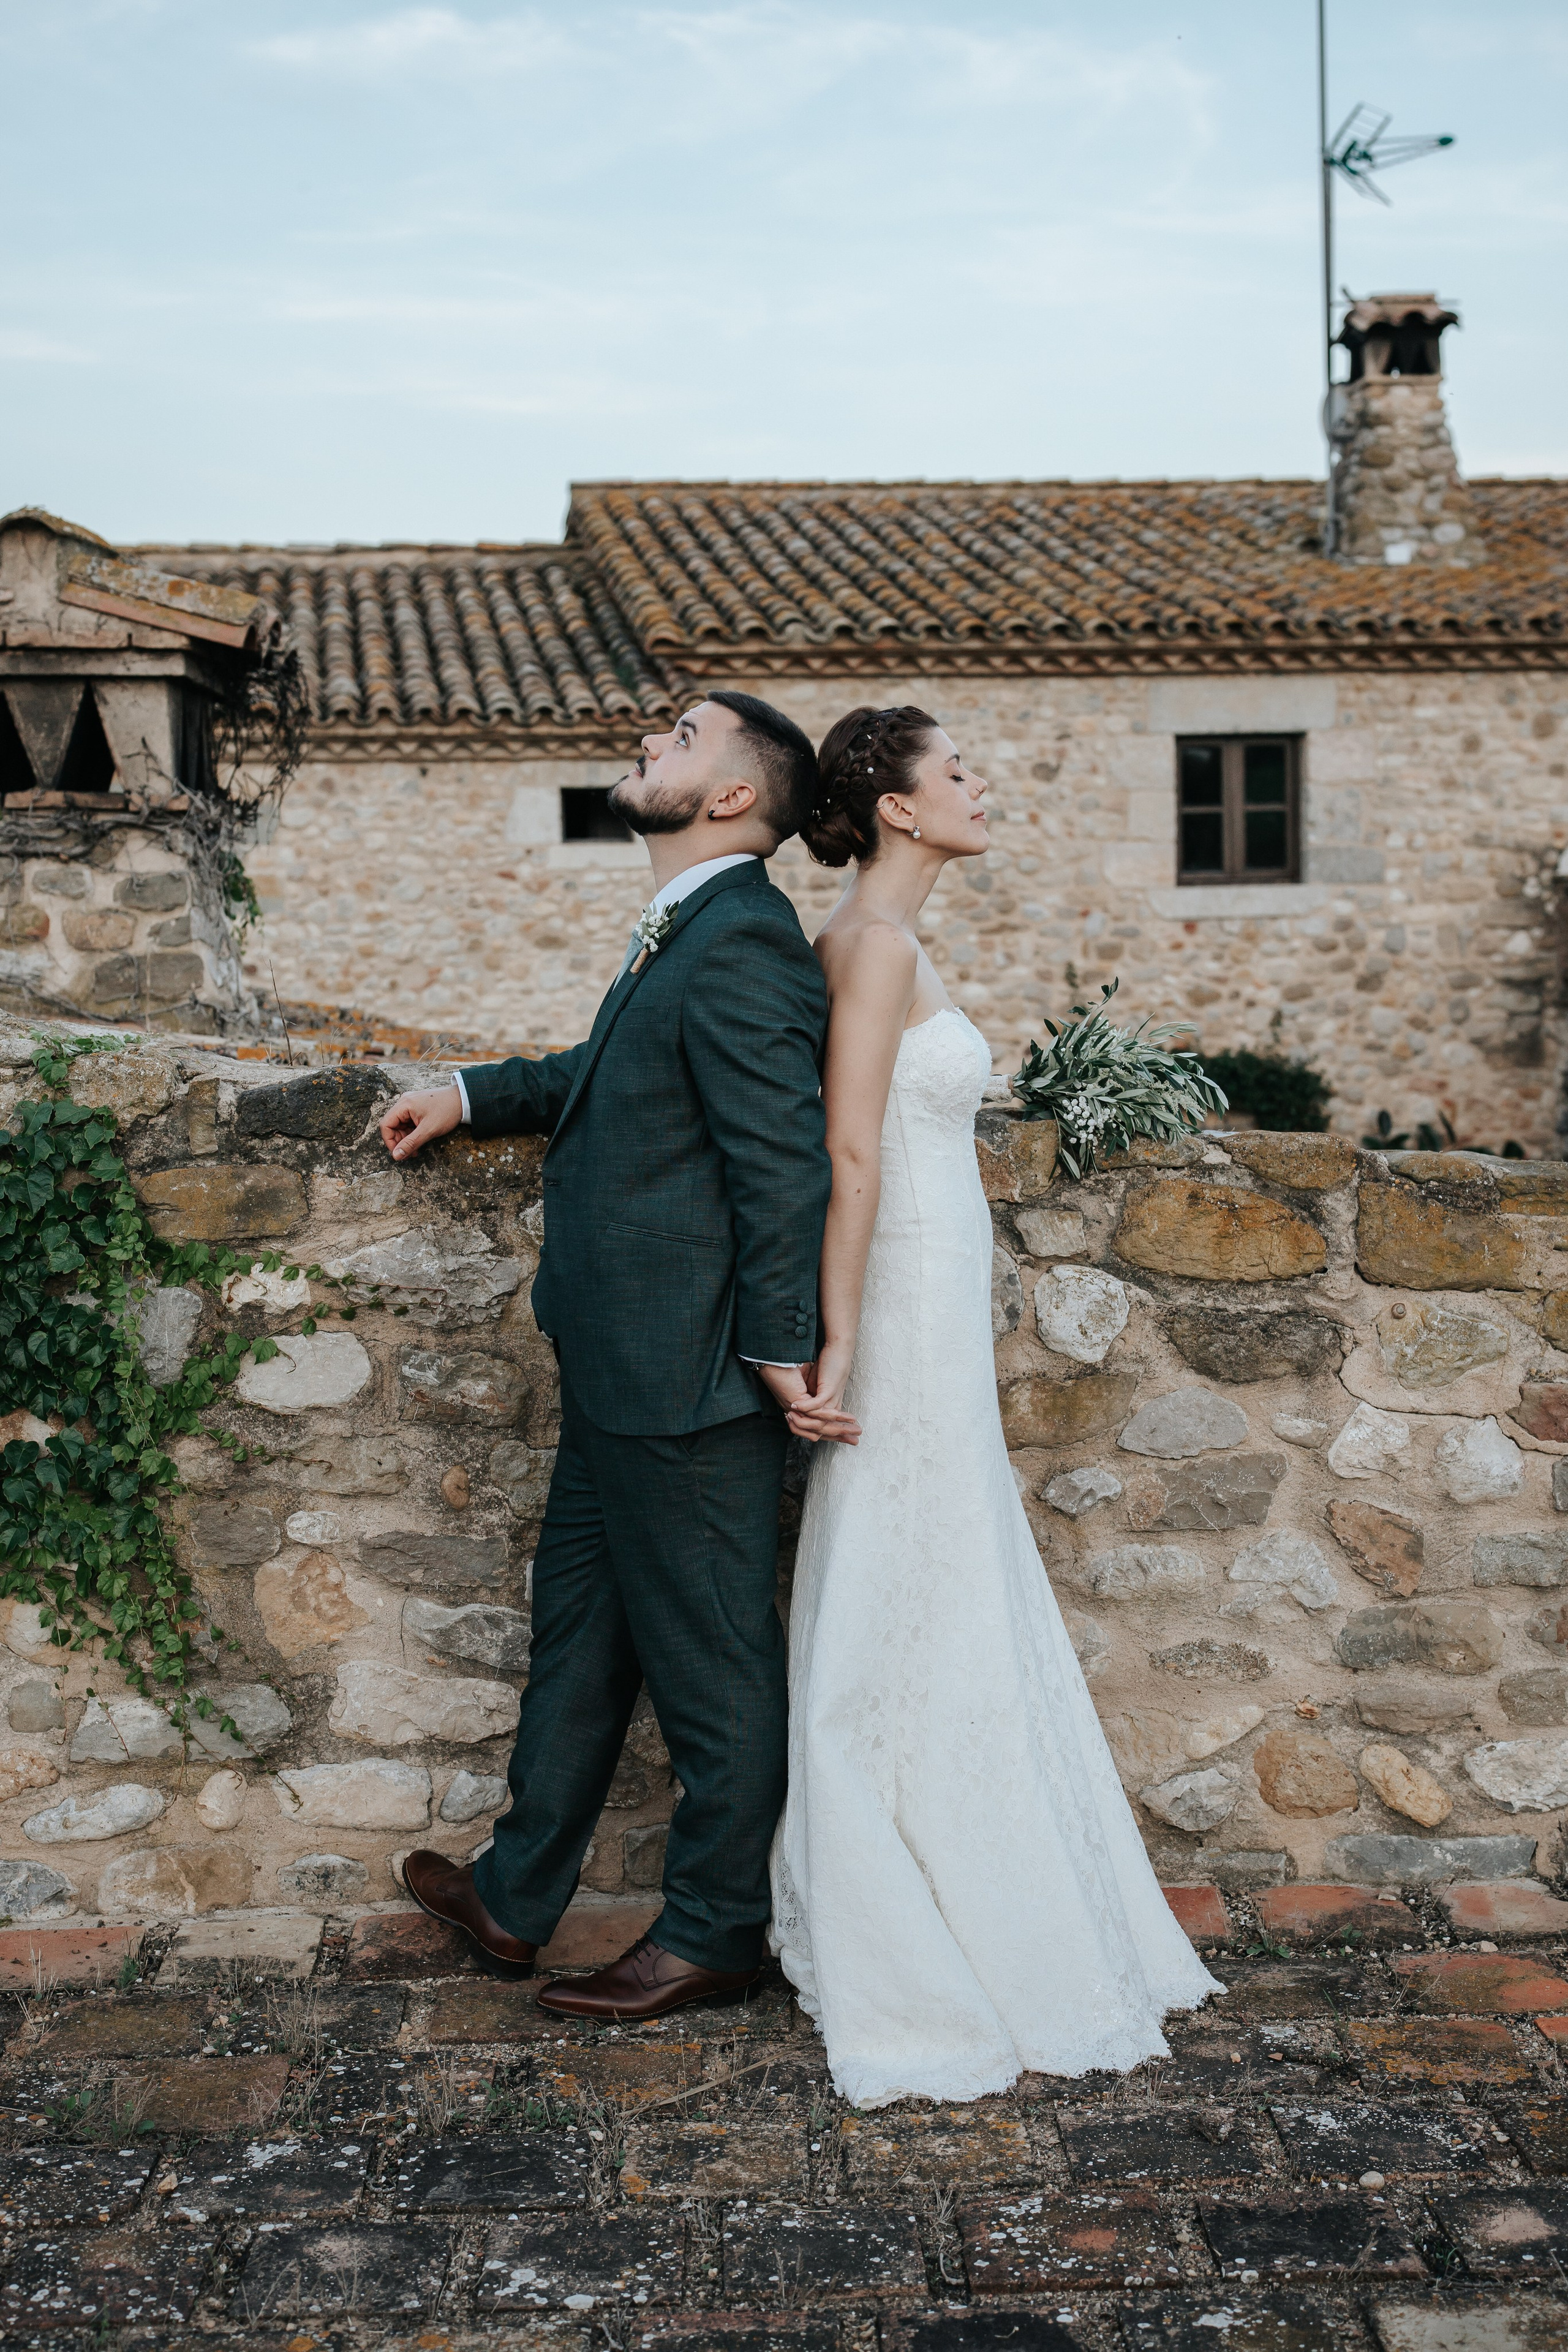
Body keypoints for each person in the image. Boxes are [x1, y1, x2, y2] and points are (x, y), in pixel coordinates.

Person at [770, 704, 1221, 2107]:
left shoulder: (884, 941)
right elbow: (847, 1151)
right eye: (953, 771)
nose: (980, 784)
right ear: (896, 809)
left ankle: (973, 1845)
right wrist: (834, 1331)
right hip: (896, 1292)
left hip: (934, 1282)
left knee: (946, 1559)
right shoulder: (873, 945)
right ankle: (916, 1888)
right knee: (911, 1559)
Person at [380, 691, 851, 2022]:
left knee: (712, 1671)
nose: (649, 742)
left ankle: (713, 1931)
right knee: (579, 1641)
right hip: (616, 1370)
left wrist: (773, 1348)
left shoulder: (747, 944)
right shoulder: (690, 931)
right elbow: (615, 1077)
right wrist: (471, 1094)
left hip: (692, 1382)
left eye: (681, 739)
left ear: (729, 800)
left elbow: (783, 1168)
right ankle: (514, 1896)